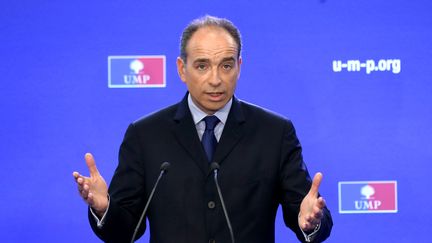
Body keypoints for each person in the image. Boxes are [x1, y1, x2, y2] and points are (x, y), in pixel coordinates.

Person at [73, 15, 333, 243]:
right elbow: (126, 229)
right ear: (181, 70)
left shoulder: (275, 133)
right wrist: (104, 208)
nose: (216, 79)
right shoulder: (145, 135)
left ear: (239, 68)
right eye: (202, 66)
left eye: (226, 65)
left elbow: (305, 214)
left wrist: (311, 220)